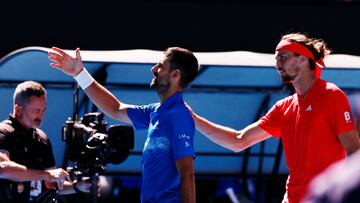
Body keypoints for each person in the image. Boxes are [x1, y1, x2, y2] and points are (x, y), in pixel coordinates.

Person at [187, 33, 360, 203]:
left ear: (302, 58)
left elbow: (354, 151)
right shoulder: (283, 107)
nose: (277, 64)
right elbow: (238, 140)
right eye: (276, 59)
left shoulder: (331, 95)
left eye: (283, 57)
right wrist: (193, 118)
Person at [48, 46, 199, 203]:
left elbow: (187, 174)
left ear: (175, 75)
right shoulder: (156, 112)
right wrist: (79, 74)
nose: (153, 69)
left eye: (161, 66)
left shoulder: (178, 116)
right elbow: (115, 108)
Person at [0, 81, 89, 203]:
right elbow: (3, 168)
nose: (41, 116)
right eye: (37, 110)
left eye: (43, 110)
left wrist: (78, 186)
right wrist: (47, 174)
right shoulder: (3, 132)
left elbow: (51, 184)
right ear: (18, 109)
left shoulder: (41, 139)